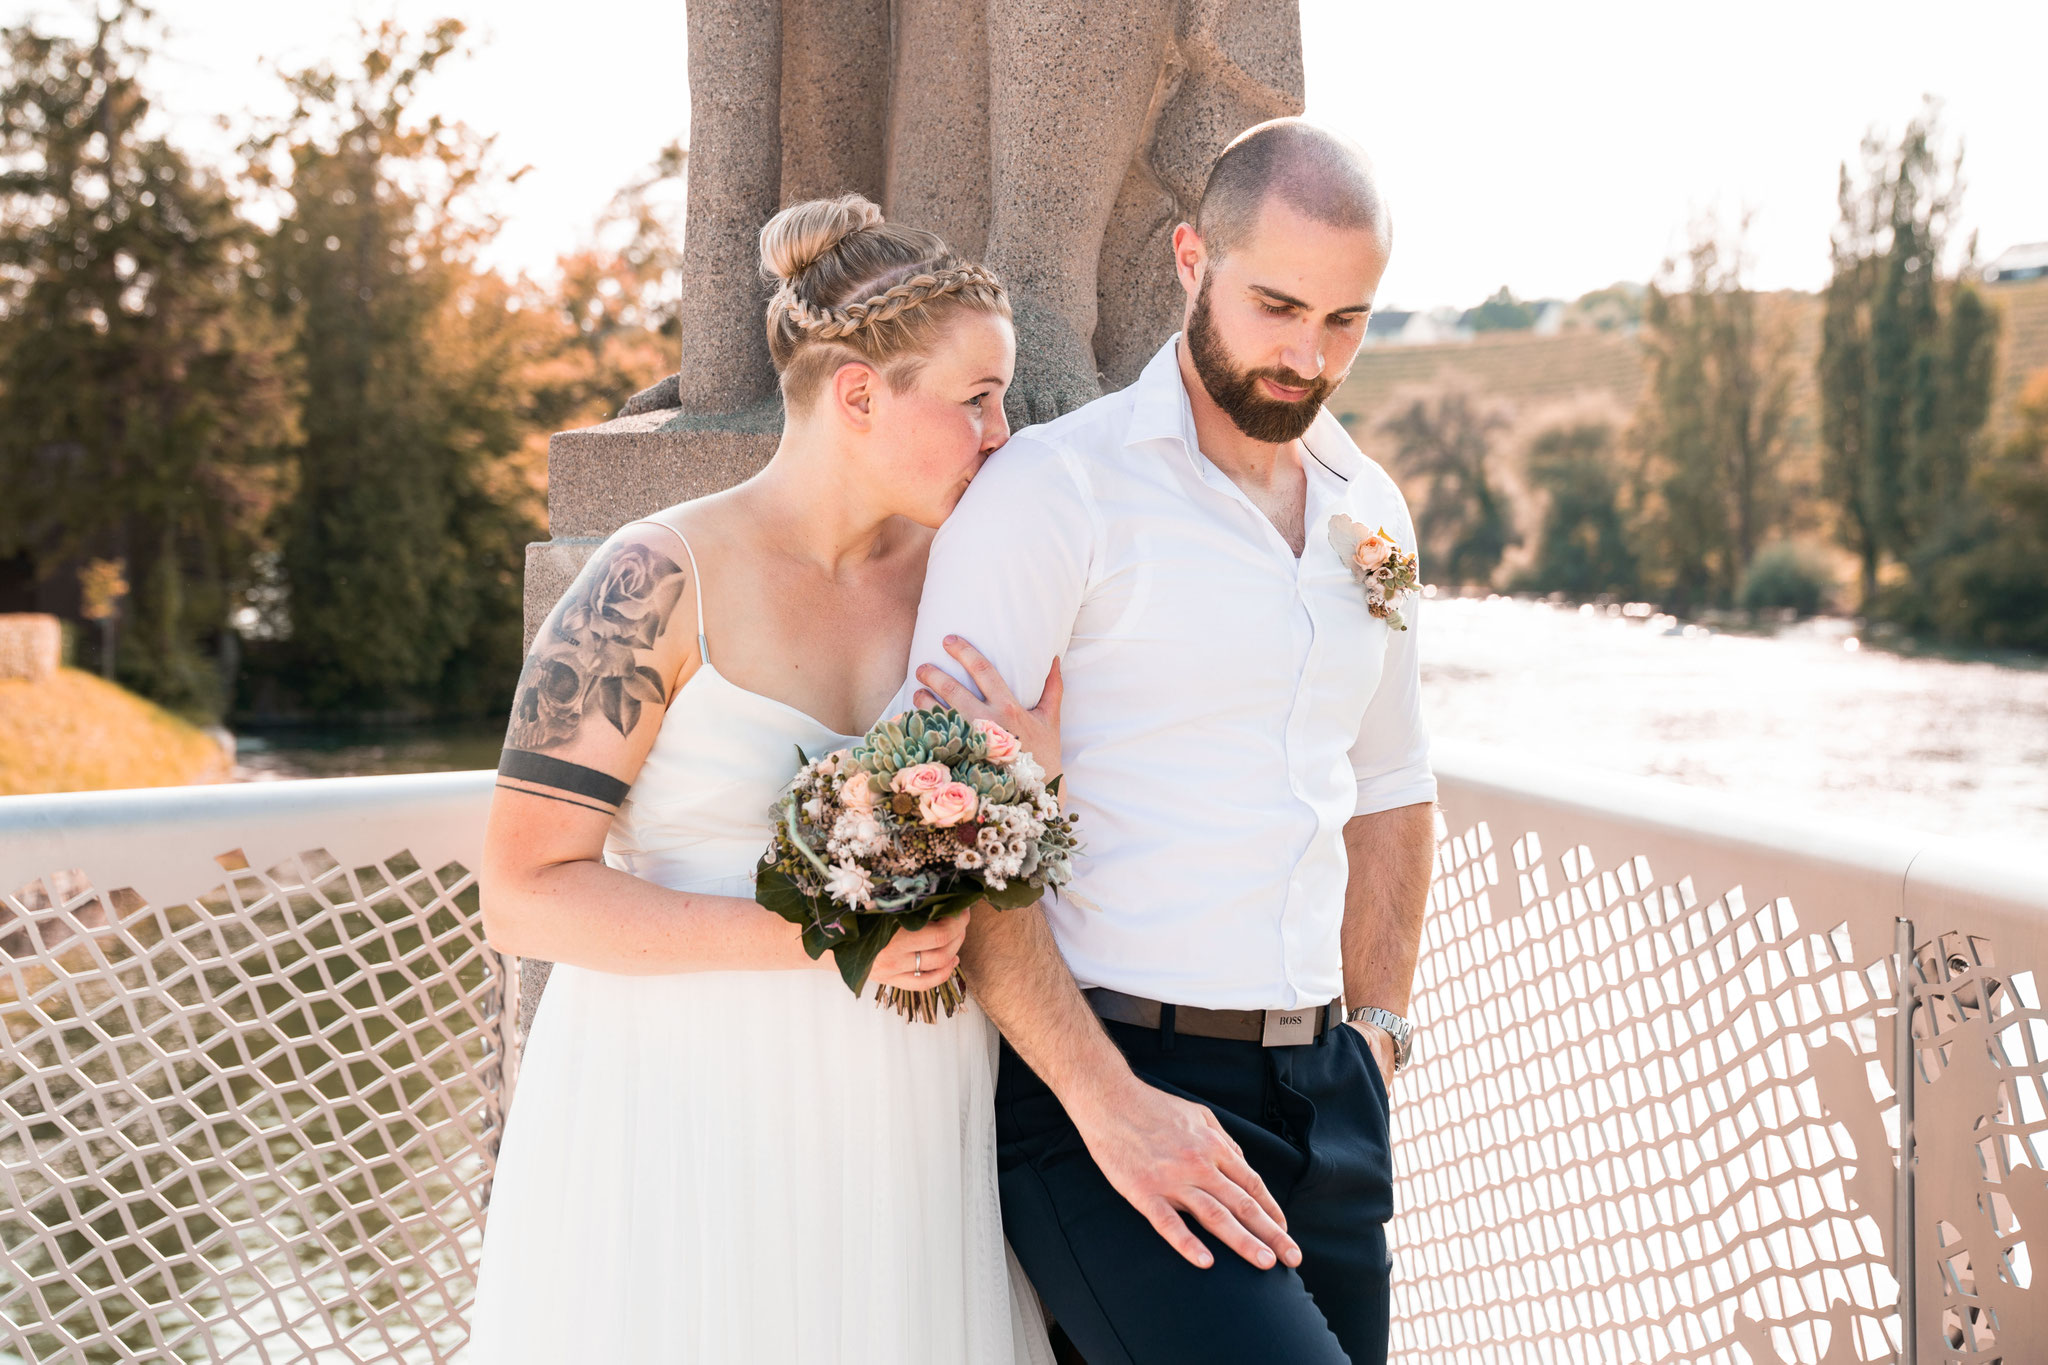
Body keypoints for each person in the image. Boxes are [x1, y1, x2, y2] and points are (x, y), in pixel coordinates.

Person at [468, 194, 1055, 1365]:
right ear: (857, 394)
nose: (1003, 433)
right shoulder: (650, 582)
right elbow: (524, 892)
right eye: (976, 399)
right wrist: (826, 935)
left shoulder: (972, 581)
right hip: (681, 1113)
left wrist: (1028, 780)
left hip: (904, 1120)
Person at [900, 119, 1437, 1364]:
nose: (1308, 355)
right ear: (1192, 257)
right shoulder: (1053, 490)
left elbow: (1392, 785)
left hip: (1332, 1099)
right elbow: (947, 820)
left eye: (1347, 321)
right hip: (1109, 1091)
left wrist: (1378, 1036)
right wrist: (1108, 1104)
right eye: (1277, 306)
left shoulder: (1370, 508)